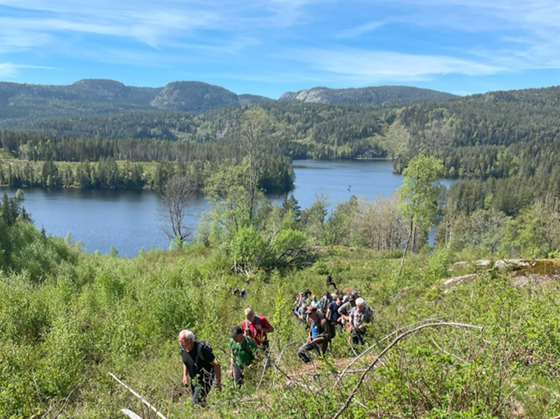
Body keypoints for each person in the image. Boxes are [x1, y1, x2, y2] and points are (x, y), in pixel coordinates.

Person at [178, 330, 222, 406]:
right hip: (194, 379)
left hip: (205, 379)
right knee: (201, 404)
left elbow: (216, 365)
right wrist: (184, 375)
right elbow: (185, 361)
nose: (181, 344)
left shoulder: (202, 349)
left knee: (196, 403)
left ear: (190, 340)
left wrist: (218, 382)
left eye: (183, 342)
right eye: (179, 342)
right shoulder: (183, 349)